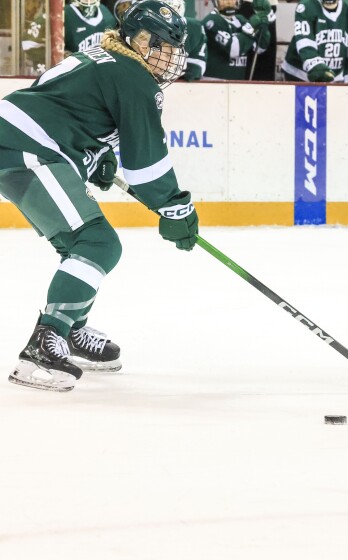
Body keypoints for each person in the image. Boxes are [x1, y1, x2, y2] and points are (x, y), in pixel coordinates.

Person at [0, 0, 199, 392]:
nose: (170, 57)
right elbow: (147, 166)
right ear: (138, 40)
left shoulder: (102, 52)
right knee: (98, 243)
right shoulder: (133, 77)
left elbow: (59, 101)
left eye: (175, 48)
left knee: (78, 244)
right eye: (161, 45)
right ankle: (46, 340)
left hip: (18, 140)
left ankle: (70, 328)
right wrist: (176, 206)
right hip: (29, 148)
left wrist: (94, 155)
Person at [281, 0, 348, 82]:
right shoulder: (306, 6)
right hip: (299, 73)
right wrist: (315, 65)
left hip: (333, 76)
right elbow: (305, 42)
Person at [202, 0, 273, 80]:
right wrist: (251, 28)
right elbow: (233, 50)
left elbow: (260, 48)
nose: (228, 2)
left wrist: (263, 24)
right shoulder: (211, 21)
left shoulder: (240, 19)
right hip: (213, 82)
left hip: (237, 83)